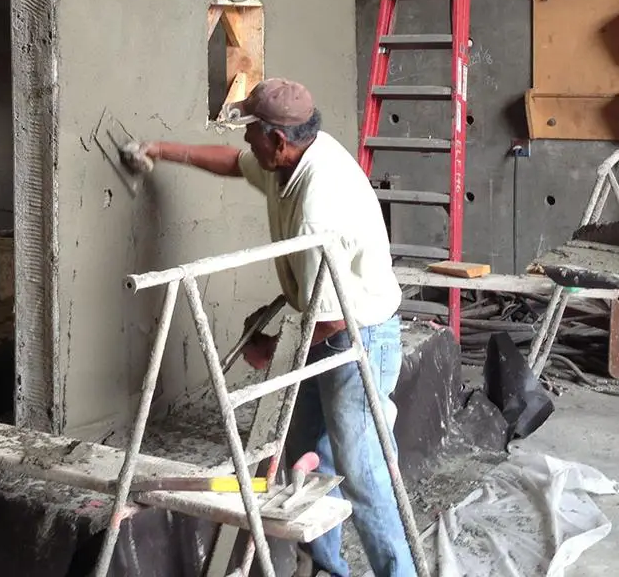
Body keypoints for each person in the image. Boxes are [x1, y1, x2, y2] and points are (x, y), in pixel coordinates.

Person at [134, 78, 413, 577]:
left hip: (357, 335)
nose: (246, 141)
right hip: (324, 323)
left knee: (363, 473)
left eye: (252, 134)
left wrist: (270, 349)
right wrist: (162, 149)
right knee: (307, 452)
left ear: (278, 140)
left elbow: (329, 318)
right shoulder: (294, 157)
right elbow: (232, 162)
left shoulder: (315, 204)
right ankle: (327, 567)